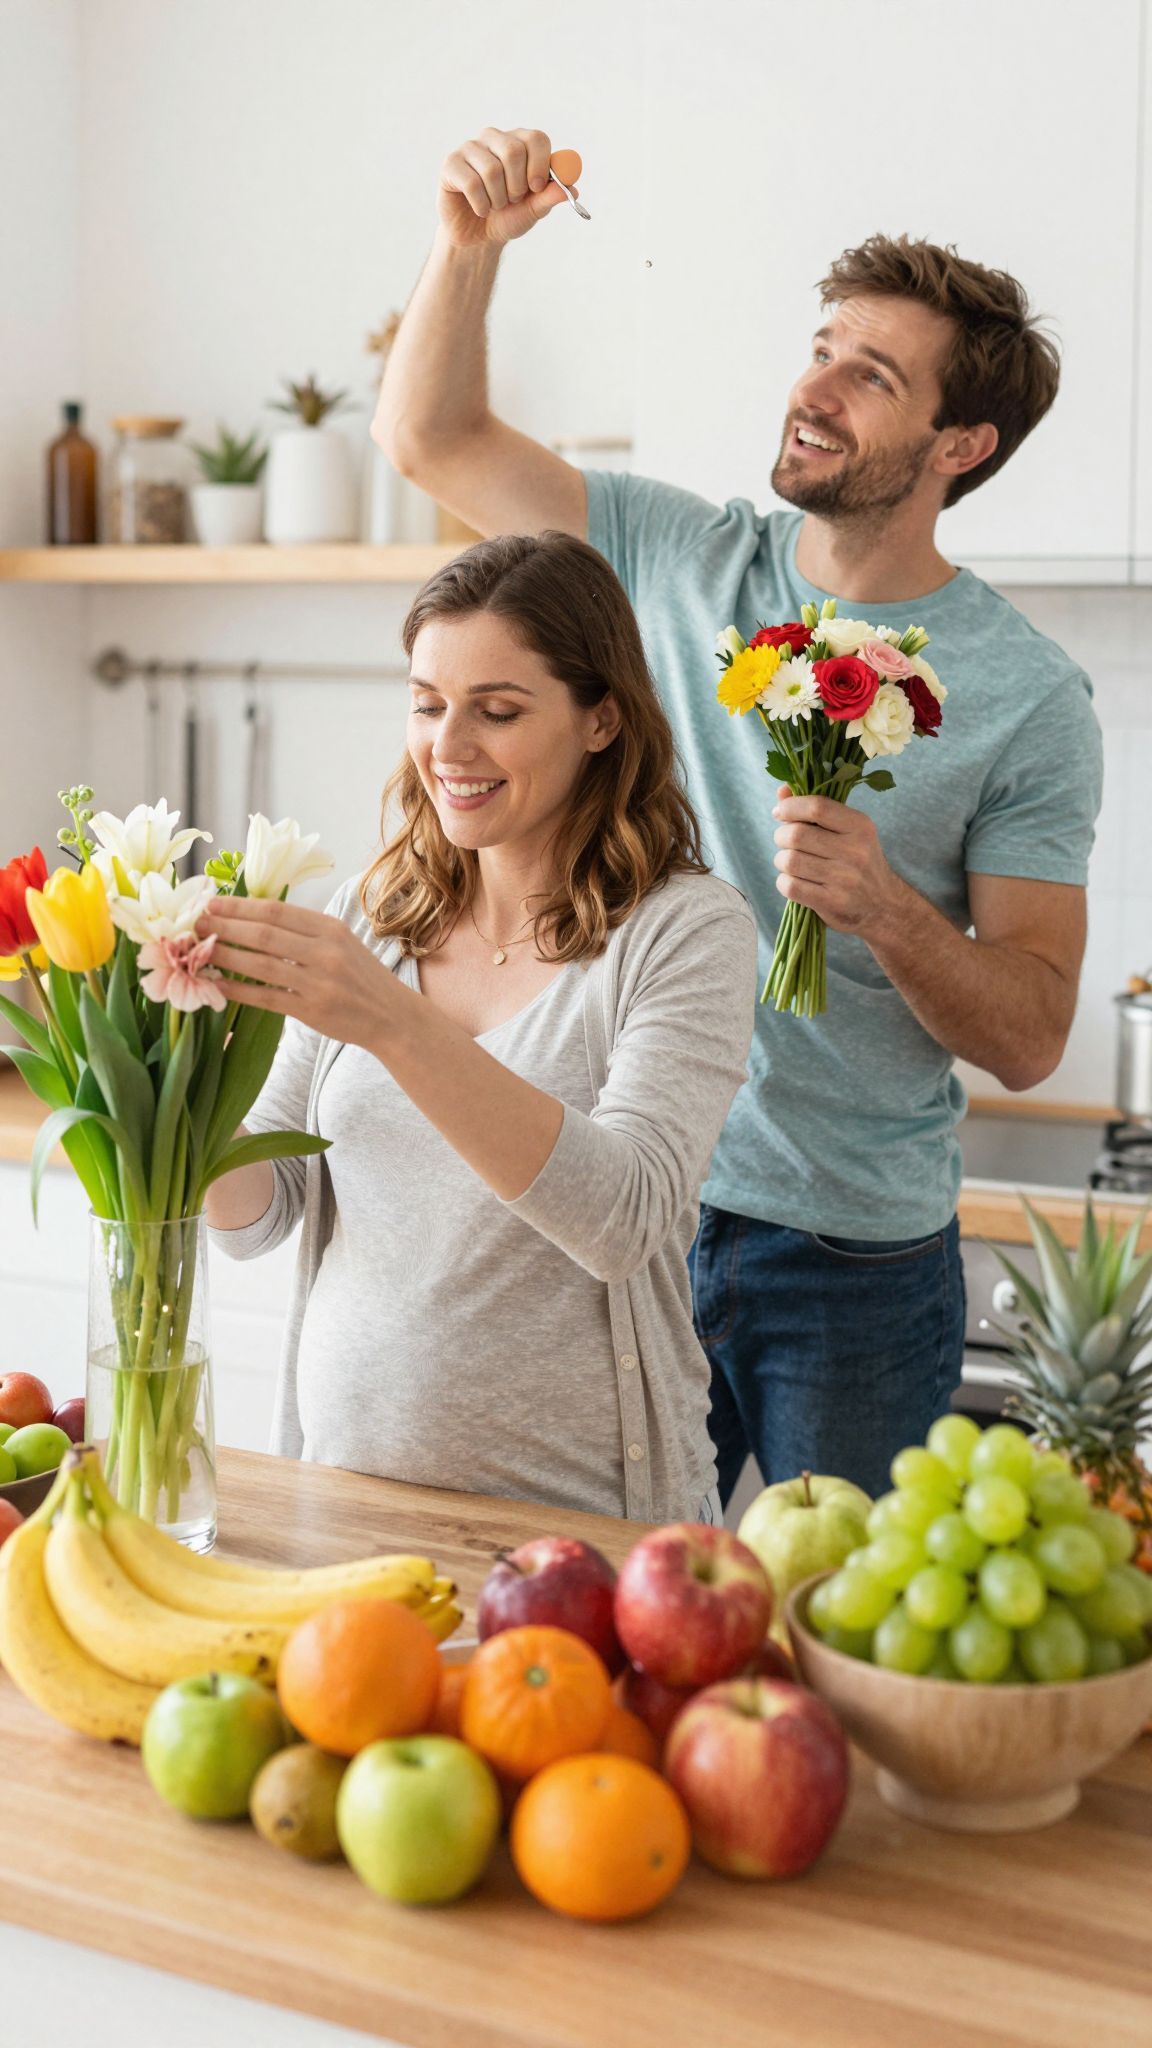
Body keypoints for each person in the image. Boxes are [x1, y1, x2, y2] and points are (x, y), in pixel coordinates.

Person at [372, 124, 1104, 1502]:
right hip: (630, 1209)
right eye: (821, 346)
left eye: (869, 375)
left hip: (855, 1259)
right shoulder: (674, 554)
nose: (813, 389)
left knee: (846, 1668)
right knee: (612, 1631)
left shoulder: (1027, 695)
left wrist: (884, 907)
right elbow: (430, 435)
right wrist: (466, 251)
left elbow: (1030, 1031)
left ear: (962, 441)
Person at [203, 532, 757, 1523]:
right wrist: (176, 1068)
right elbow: (265, 1211)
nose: (448, 747)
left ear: (601, 719)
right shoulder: (375, 916)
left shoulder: (685, 932)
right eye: (427, 703)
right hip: (342, 1500)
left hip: (585, 1531)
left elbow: (625, 1216)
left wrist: (392, 1022)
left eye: (497, 711)